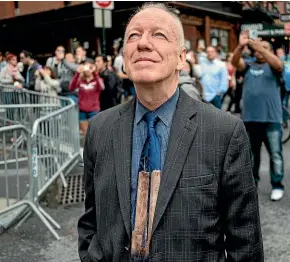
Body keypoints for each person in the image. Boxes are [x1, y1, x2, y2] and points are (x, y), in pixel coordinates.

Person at [77, 3, 263, 261]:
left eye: (159, 35)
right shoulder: (100, 128)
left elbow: (245, 241)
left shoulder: (224, 131)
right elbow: (91, 219)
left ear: (181, 58)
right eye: (133, 36)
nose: (142, 43)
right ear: (125, 62)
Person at [232, 31, 285, 201]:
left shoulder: (274, 66)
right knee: (251, 156)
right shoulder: (248, 65)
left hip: (271, 119)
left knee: (275, 154)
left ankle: (277, 185)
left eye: (265, 49)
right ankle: (252, 184)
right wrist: (241, 46)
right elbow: (234, 62)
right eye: (257, 49)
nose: (259, 51)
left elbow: (278, 65)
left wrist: (260, 47)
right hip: (250, 119)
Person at [69, 59, 104, 136]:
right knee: (86, 133)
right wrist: (77, 73)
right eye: (86, 66)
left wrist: (95, 73)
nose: (88, 69)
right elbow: (71, 87)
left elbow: (101, 87)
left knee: (95, 132)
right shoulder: (80, 80)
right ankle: (89, 148)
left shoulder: (97, 79)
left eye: (90, 67)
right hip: (82, 110)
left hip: (94, 110)